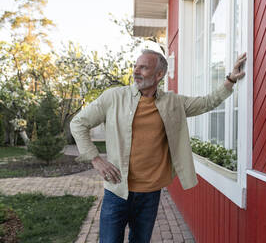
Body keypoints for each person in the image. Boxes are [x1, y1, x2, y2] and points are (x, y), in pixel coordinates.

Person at [70, 49, 247, 243]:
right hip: (116, 190)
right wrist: (96, 160)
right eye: (135, 66)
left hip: (149, 194)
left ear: (159, 74)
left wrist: (231, 79)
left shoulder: (173, 103)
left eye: (143, 67)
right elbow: (78, 123)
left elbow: (206, 103)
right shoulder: (114, 97)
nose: (136, 71)